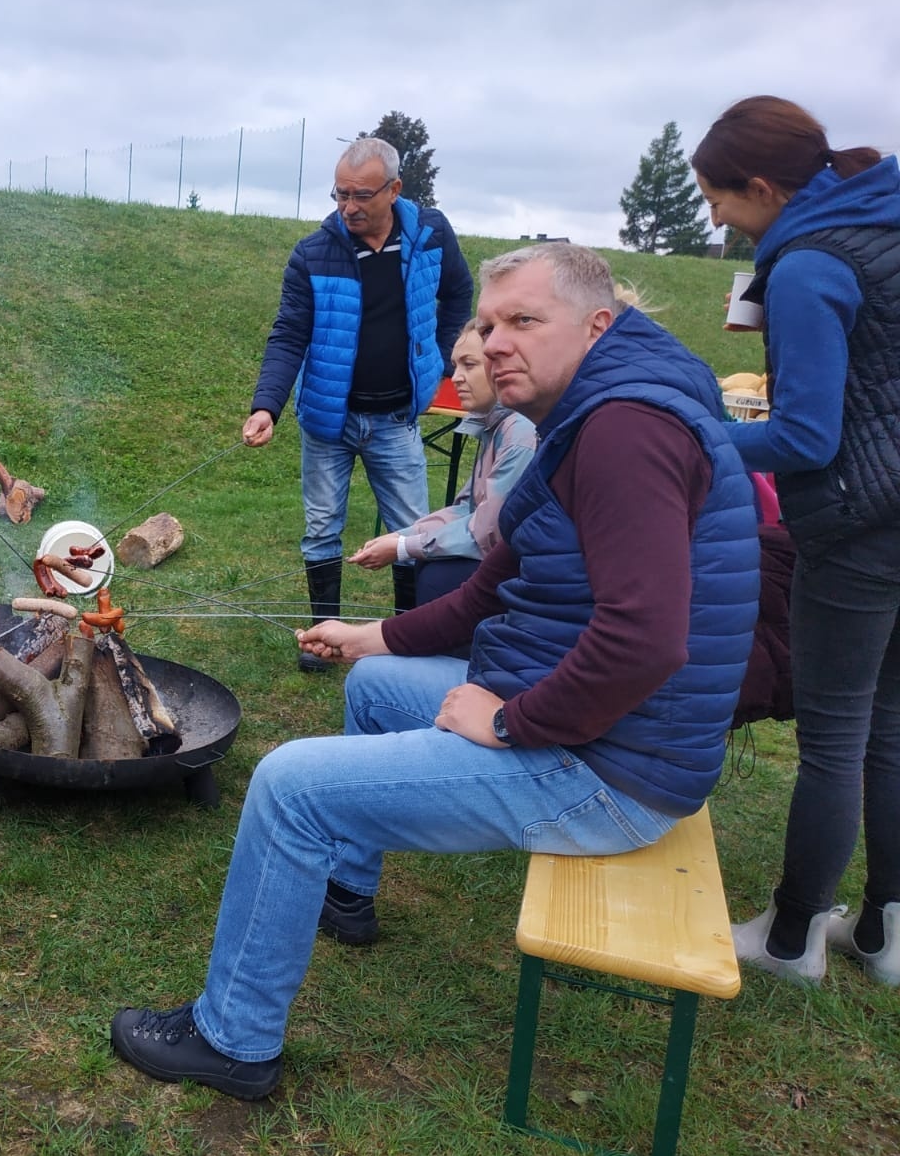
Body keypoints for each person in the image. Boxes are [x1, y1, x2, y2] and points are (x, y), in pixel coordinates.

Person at [111, 243, 758, 1100]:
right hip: (608, 731)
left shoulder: (624, 431)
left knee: (289, 786)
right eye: (489, 324)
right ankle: (346, 891)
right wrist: (371, 634)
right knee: (375, 687)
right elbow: (494, 587)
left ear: (598, 324)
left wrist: (507, 723)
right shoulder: (591, 410)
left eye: (524, 321)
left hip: (615, 772)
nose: (494, 344)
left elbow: (646, 643)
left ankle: (233, 1040)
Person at [691, 95, 900, 985]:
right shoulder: (883, 227)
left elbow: (807, 438)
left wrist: (693, 433)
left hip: (858, 526)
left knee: (833, 737)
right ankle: (882, 934)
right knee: (890, 728)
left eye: (721, 200)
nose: (716, 218)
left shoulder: (812, 266)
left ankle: (790, 936)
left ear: (767, 188)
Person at [243, 137, 472, 669]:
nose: (347, 207)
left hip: (396, 420)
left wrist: (437, 360)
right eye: (340, 194)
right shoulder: (313, 253)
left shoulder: (431, 235)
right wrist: (266, 407)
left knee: (415, 534)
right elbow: (288, 334)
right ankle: (323, 642)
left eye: (361, 195)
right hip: (329, 422)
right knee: (322, 529)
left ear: (394, 189)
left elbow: (458, 293)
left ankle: (410, 646)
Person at [345, 319, 536, 606]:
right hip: (508, 558)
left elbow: (489, 532)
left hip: (532, 571)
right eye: (455, 366)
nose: (455, 377)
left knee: (439, 578)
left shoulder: (520, 434)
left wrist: (402, 547)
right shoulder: (496, 425)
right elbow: (466, 509)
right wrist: (403, 536)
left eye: (468, 365)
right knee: (429, 566)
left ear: (500, 366)